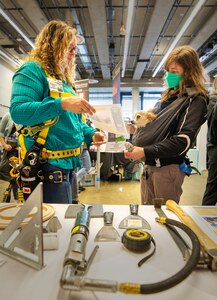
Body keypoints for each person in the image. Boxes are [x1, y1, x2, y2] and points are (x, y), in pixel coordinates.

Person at [10, 20, 106, 204]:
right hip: (47, 166)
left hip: (70, 164)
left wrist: (91, 134)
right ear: (53, 46)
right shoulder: (32, 70)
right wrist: (61, 103)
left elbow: (73, 122)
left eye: (75, 49)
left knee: (66, 219)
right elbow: (18, 111)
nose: (74, 54)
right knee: (54, 226)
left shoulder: (63, 81)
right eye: (69, 48)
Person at [124, 45, 208, 205]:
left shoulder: (196, 100)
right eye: (168, 71)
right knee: (149, 218)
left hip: (167, 170)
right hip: (149, 168)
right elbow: (154, 128)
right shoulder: (169, 97)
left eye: (175, 72)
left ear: (189, 72)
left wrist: (144, 150)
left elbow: (182, 141)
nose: (169, 76)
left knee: (165, 221)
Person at [202, 77, 217, 205]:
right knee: (212, 186)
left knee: (212, 186)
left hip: (213, 145)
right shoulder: (213, 101)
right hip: (215, 146)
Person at [0, 112, 19, 200]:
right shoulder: (7, 116)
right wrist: (4, 145)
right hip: (9, 150)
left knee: (20, 174)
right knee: (11, 174)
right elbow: (1, 134)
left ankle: (18, 195)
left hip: (21, 151)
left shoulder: (26, 117)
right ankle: (13, 195)